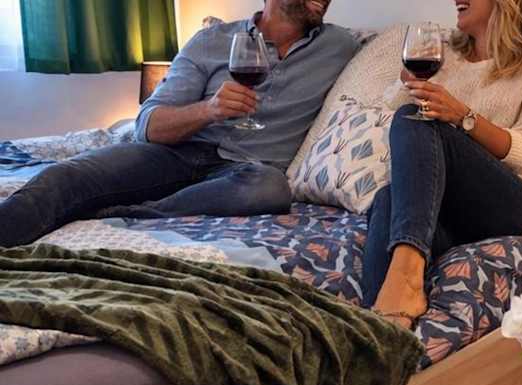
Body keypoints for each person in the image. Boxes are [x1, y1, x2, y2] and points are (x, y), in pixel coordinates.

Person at [0, 0, 359, 248]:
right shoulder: (211, 41)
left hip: (245, 171)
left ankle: (129, 212)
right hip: (176, 154)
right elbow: (147, 125)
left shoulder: (341, 46)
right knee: (66, 175)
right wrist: (210, 110)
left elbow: (388, 66)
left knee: (270, 188)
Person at [364, 0, 522, 329]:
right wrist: (408, 82)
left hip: (512, 204)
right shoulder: (445, 55)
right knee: (387, 198)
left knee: (419, 120)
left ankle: (406, 278)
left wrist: (463, 116)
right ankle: (380, 328)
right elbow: (398, 112)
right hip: (448, 206)